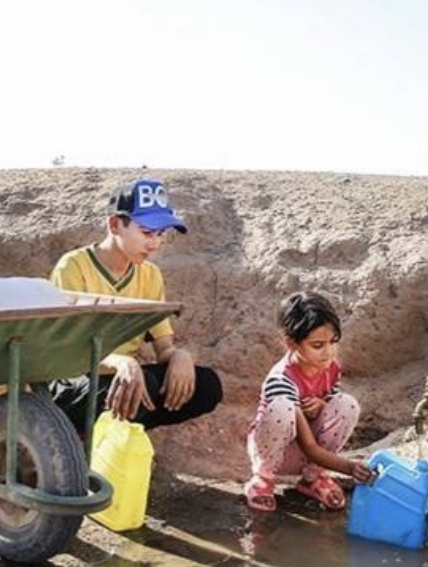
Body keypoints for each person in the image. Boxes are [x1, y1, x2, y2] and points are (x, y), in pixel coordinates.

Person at [47, 178, 223, 433]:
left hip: (126, 379)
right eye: (147, 232)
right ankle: (93, 445)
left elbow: (164, 348)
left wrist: (180, 356)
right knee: (143, 386)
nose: (155, 243)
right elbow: (67, 352)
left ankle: (121, 442)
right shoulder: (73, 267)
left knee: (207, 385)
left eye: (161, 234)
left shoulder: (150, 275)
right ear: (116, 225)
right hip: (72, 380)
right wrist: (120, 363)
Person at [244, 291, 372, 512]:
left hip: (311, 454)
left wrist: (322, 406)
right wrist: (350, 468)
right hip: (277, 452)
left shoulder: (331, 368)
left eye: (333, 342)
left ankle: (313, 478)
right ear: (292, 344)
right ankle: (263, 479)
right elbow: (310, 447)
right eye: (317, 345)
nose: (328, 352)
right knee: (282, 408)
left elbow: (332, 409)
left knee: (347, 404)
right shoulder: (281, 379)